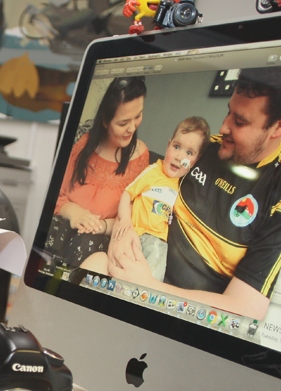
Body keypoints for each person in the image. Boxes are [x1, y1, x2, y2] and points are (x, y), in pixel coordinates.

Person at [107, 65, 281, 320]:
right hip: (140, 262)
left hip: (183, 313)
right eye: (229, 112)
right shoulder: (203, 149)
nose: (223, 127)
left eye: (240, 121)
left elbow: (246, 308)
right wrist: (123, 233)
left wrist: (149, 288)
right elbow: (150, 187)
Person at [80, 115, 209, 281]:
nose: (179, 156)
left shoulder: (182, 186)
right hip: (136, 234)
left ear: (195, 161)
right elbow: (128, 193)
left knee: (151, 281)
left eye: (189, 153)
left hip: (159, 242)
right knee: (119, 272)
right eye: (176, 147)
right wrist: (125, 219)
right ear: (168, 145)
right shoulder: (153, 171)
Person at [46, 76, 150, 266]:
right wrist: (75, 213)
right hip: (66, 225)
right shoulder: (82, 144)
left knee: (86, 242)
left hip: (101, 237)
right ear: (105, 121)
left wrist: (102, 226)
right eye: (123, 122)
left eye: (138, 116)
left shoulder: (140, 156)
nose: (132, 128)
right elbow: (57, 196)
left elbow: (133, 216)